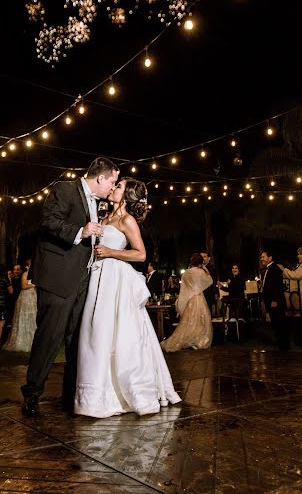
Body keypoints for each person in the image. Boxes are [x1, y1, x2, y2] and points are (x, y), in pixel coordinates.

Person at [21, 156, 120, 417]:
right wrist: (81, 231)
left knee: (77, 341)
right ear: (100, 178)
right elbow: (49, 222)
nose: (112, 187)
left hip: (83, 280)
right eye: (112, 182)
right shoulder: (64, 189)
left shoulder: (97, 203)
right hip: (57, 278)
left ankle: (71, 396)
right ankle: (32, 393)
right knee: (50, 337)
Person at [74, 177, 181, 418]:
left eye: (118, 186)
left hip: (116, 281)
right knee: (98, 334)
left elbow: (141, 254)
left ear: (127, 195)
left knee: (120, 333)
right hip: (99, 280)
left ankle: (130, 390)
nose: (113, 187)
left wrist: (111, 252)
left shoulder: (126, 220)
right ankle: (99, 392)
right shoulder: (103, 218)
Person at [160, 253, 213, 352]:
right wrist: (206, 270)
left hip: (189, 300)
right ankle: (197, 341)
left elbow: (184, 288)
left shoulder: (186, 273)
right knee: (200, 320)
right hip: (198, 298)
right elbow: (209, 281)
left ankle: (189, 340)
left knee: (188, 321)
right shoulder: (200, 272)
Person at [260, 250, 290, 351]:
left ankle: (283, 347)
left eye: (263, 257)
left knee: (280, 324)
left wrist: (275, 300)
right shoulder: (268, 269)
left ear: (270, 258)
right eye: (261, 257)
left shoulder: (274, 269)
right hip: (272, 302)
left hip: (276, 302)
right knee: (276, 325)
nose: (261, 259)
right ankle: (281, 345)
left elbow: (278, 286)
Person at [3, 263, 37, 352]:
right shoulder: (25, 274)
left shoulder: (35, 274)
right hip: (26, 297)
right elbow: (24, 286)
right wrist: (35, 285)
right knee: (24, 317)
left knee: (32, 318)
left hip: (32, 297)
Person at [200, 250, 217, 317]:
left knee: (207, 314)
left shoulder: (212, 268)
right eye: (201, 257)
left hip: (208, 294)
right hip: (199, 294)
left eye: (204, 257)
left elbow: (212, 282)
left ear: (209, 258)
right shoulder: (197, 268)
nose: (202, 258)